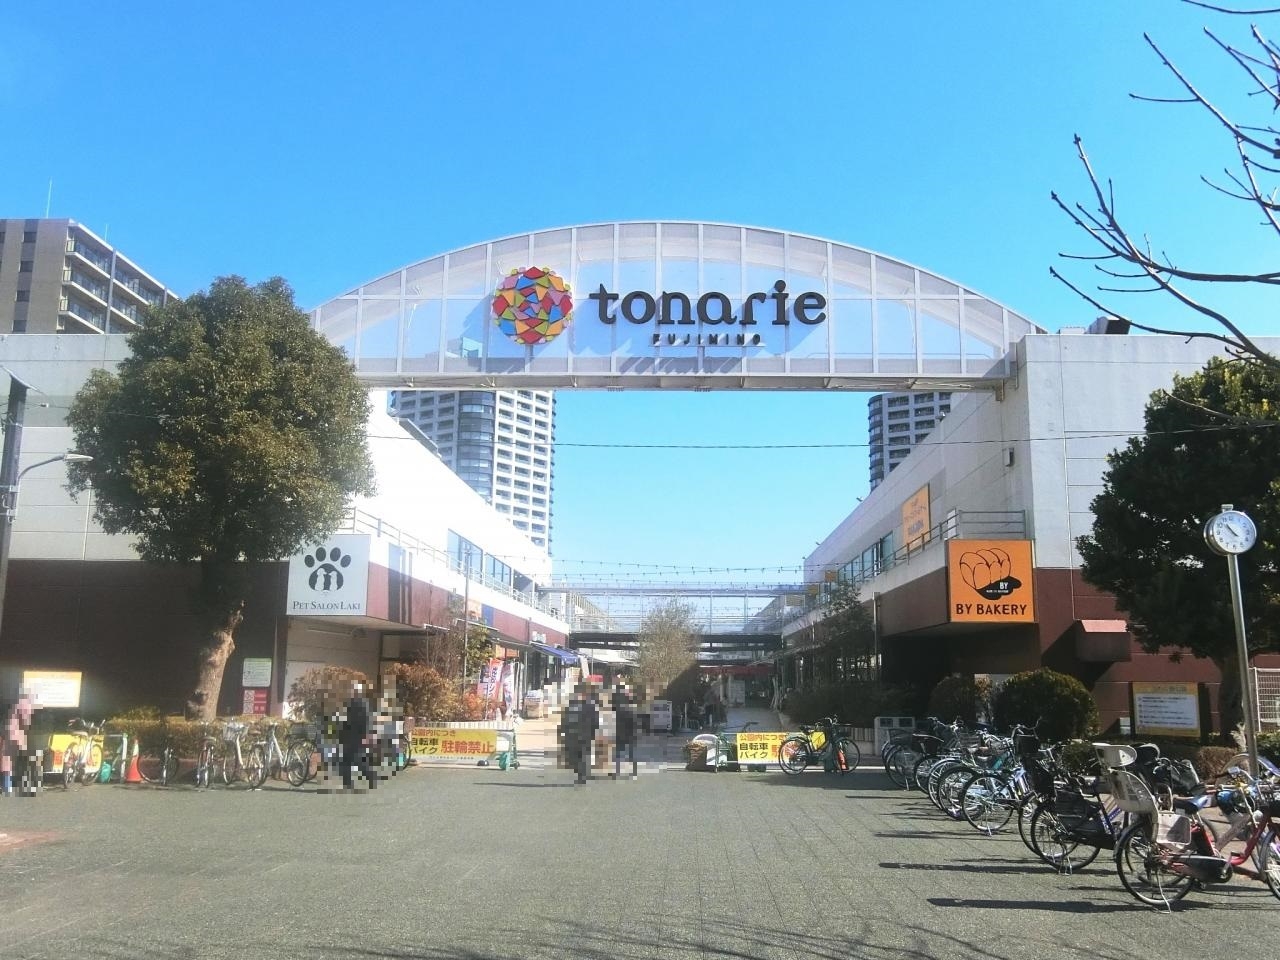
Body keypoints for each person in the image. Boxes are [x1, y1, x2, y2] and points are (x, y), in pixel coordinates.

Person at [338, 681, 376, 791]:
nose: (351, 692)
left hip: (359, 737)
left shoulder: (363, 704)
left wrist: (366, 735)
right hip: (348, 736)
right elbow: (345, 720)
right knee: (345, 760)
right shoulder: (349, 703)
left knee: (359, 761)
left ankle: (371, 777)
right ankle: (347, 784)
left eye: (353, 690)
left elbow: (367, 721)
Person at [611, 681, 638, 780]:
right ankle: (634, 773)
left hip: (620, 734)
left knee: (618, 754)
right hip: (630, 734)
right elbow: (635, 724)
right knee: (632, 754)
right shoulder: (632, 710)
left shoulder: (617, 709)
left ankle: (616, 772)